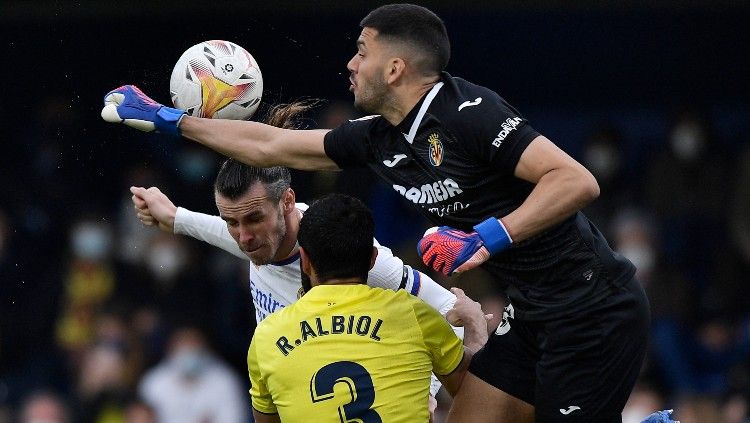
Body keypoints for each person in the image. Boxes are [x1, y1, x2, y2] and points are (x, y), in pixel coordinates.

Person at [102, 3, 650, 421]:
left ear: (394, 67)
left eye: (360, 51)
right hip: (532, 310)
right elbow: (271, 147)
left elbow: (577, 180)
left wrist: (487, 236)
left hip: (592, 308)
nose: (350, 63)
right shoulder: (377, 138)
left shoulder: (469, 113)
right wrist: (171, 120)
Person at [129, 102, 490, 414]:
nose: (243, 236)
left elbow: (445, 307)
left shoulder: (343, 250)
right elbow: (229, 233)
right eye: (232, 221)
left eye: (253, 219)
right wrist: (176, 218)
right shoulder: (256, 237)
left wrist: (425, 393)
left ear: (287, 202)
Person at [248, 193, 476, 422]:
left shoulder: (266, 337)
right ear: (373, 258)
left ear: (305, 260)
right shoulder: (414, 314)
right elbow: (475, 396)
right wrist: (475, 330)